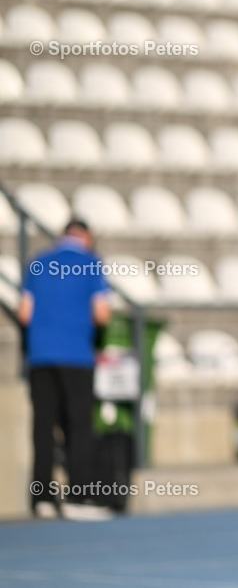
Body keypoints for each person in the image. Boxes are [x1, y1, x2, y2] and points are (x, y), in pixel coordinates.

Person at [18, 219, 112, 521]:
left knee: (42, 427)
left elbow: (24, 313)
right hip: (76, 356)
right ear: (87, 237)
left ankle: (42, 499)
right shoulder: (90, 264)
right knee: (78, 426)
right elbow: (102, 314)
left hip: (41, 356)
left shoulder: (38, 262)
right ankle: (78, 497)